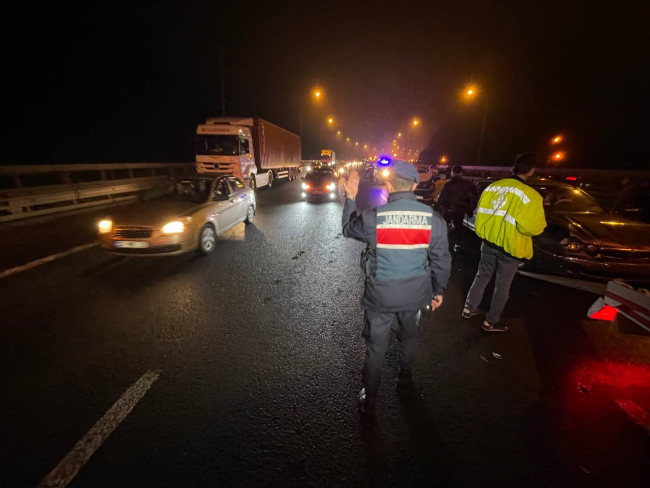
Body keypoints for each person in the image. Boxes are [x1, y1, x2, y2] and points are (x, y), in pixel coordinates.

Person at [340, 160, 451, 417]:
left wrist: (351, 198)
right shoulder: (433, 220)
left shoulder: (374, 217)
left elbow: (347, 229)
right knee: (409, 336)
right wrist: (438, 291)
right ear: (415, 185)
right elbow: (441, 261)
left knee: (376, 346)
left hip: (380, 296)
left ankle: (370, 400)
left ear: (388, 184)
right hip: (415, 296)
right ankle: (404, 379)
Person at [462, 153, 546, 332]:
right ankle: (490, 321)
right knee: (502, 286)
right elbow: (531, 228)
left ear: (512, 168)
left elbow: (480, 213)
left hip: (488, 242)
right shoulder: (530, 195)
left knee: (481, 276)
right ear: (531, 171)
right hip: (510, 247)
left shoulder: (493, 187)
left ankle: (469, 308)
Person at [437, 165, 479, 252]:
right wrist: (469, 209)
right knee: (458, 228)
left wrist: (442, 207)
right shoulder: (468, 184)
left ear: (452, 172)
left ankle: (445, 246)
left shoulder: (448, 184)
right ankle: (457, 245)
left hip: (448, 211)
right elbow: (474, 197)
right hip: (460, 212)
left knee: (445, 228)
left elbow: (441, 199)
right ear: (461, 172)